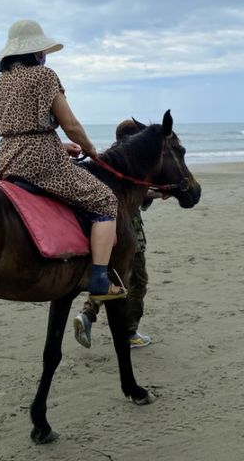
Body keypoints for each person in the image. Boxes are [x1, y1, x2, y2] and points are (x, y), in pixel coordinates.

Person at [0, 19, 125, 300]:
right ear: (38, 52)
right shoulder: (44, 76)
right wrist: (90, 148)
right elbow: (71, 124)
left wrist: (58, 145)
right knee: (105, 200)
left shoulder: (0, 81)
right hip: (41, 161)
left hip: (8, 159)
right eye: (43, 51)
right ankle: (99, 279)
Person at [73, 119, 161, 349]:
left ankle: (87, 315)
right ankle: (129, 333)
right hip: (126, 233)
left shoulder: (109, 161)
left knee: (109, 278)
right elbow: (133, 197)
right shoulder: (130, 163)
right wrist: (156, 194)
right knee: (137, 282)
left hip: (102, 233)